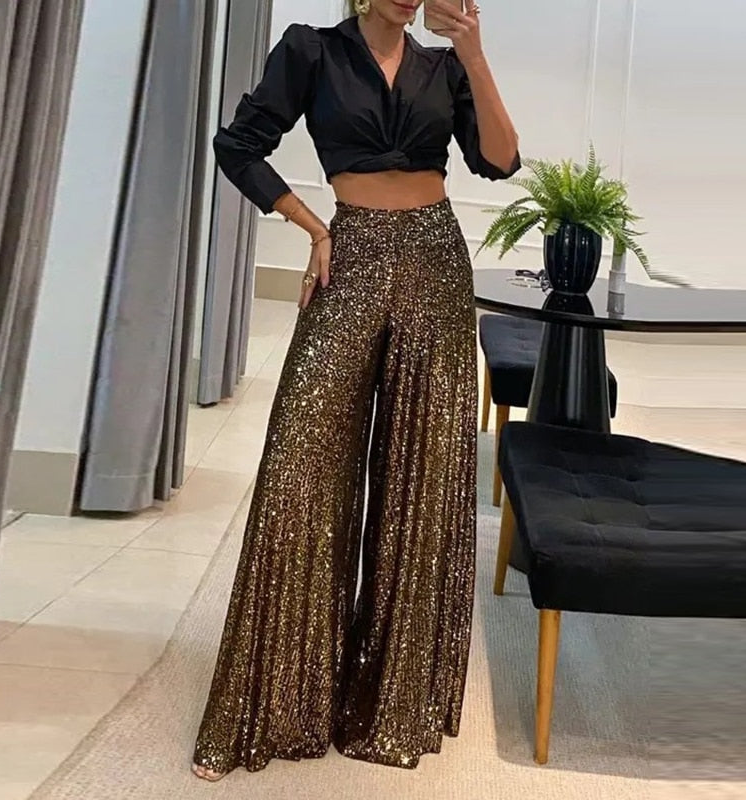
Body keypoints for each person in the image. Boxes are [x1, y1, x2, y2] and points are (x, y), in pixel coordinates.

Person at [192, 0, 519, 781]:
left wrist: (474, 54)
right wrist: (314, 228)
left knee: (423, 476)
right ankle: (277, 702)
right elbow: (238, 144)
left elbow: (500, 162)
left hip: (436, 258)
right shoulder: (312, 51)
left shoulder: (443, 66)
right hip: (351, 253)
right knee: (300, 467)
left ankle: (391, 701)